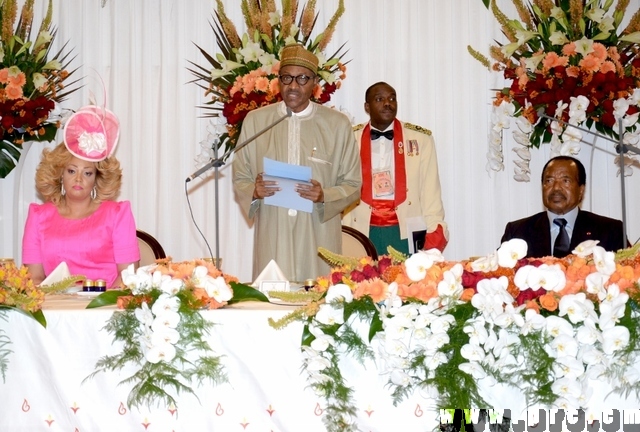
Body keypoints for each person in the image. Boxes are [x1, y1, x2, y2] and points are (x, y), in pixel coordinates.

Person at [232, 44, 362, 282]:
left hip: (317, 234)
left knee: (318, 308)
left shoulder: (337, 124)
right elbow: (241, 175)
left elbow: (353, 184)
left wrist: (325, 195)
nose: (293, 85)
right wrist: (254, 190)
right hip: (274, 231)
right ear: (277, 81)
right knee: (271, 303)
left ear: (314, 83)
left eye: (302, 78)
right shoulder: (256, 121)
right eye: (286, 78)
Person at [22, 105, 140, 288]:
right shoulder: (38, 216)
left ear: (97, 178)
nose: (78, 179)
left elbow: (128, 277)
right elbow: (34, 279)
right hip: (54, 310)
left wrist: (99, 309)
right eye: (71, 171)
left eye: (87, 173)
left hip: (104, 308)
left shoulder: (117, 214)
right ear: (60, 174)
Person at [342, 81, 448, 256]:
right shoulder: (349, 138)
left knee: (406, 282)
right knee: (362, 282)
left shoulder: (421, 139)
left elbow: (431, 192)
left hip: (405, 230)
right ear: (367, 107)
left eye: (392, 98)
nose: (387, 103)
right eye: (379, 99)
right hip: (361, 227)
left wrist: (434, 228)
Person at [501, 156, 625, 257]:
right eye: (549, 181)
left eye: (565, 181)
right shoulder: (517, 232)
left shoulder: (610, 230)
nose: (555, 188)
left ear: (581, 190)